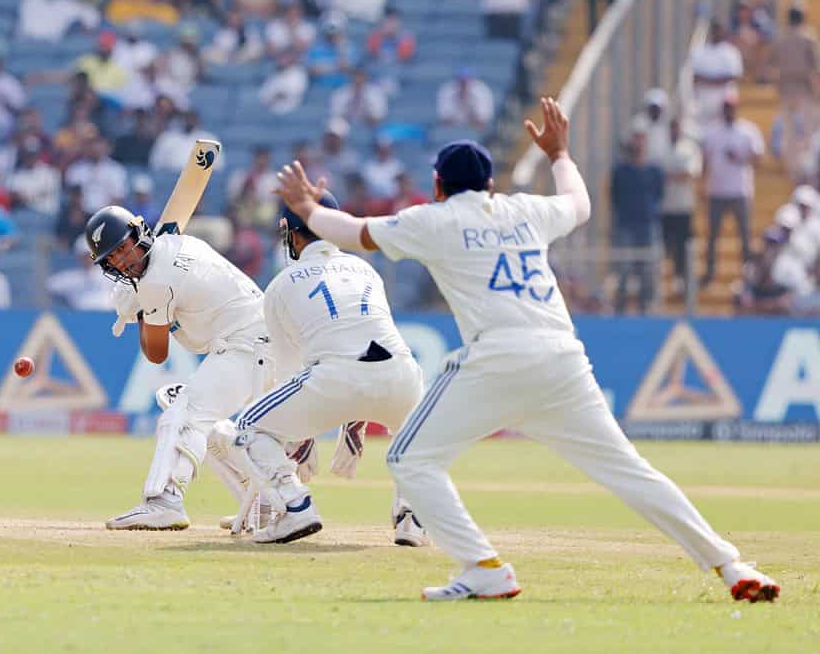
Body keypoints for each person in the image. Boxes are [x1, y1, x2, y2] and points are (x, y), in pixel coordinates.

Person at [274, 96, 780, 603]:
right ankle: (731, 566)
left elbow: (355, 233)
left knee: (408, 459)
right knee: (630, 473)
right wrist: (560, 154)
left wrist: (308, 210)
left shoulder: (435, 219)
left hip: (496, 360)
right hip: (563, 361)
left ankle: (484, 567)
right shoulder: (525, 210)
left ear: (438, 185)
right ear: (491, 183)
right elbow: (579, 205)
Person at [208, 192, 428, 545]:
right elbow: (365, 350)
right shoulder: (366, 269)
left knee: (247, 428)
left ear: (292, 235)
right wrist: (354, 424)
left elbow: (290, 373)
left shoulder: (281, 284)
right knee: (415, 437)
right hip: (403, 374)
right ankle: (412, 517)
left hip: (334, 378)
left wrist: (303, 436)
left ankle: (295, 505)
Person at [84, 205, 274, 530]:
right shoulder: (177, 246)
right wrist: (142, 300)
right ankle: (267, 504)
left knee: (185, 413)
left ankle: (164, 501)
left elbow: (157, 353)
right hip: (263, 342)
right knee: (193, 414)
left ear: (138, 234)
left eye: (122, 248)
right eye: (111, 259)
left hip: (248, 344)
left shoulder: (155, 281)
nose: (120, 260)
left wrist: (140, 311)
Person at [701, 93, 764, 288]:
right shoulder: (712, 132)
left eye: (732, 107)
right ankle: (710, 274)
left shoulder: (748, 131)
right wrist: (702, 187)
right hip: (716, 191)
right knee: (712, 236)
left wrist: (740, 158)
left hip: (740, 191)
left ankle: (747, 275)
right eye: (726, 107)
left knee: (744, 237)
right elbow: (704, 162)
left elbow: (759, 159)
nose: (729, 111)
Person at [610, 130, 664, 314]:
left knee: (647, 271)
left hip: (647, 224)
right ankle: (621, 308)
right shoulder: (621, 171)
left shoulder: (654, 170)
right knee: (624, 268)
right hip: (626, 225)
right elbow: (614, 196)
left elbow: (659, 194)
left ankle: (644, 308)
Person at [769, 8, 819, 176]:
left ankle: (793, 169)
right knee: (807, 131)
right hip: (804, 89)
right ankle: (807, 170)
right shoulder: (808, 39)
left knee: (789, 132)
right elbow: (816, 67)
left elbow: (771, 63)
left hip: (786, 90)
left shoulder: (779, 39)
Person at [659, 117, 702, 295]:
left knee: (683, 248)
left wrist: (670, 176)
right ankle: (661, 283)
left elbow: (689, 174)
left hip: (684, 207)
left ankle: (680, 281)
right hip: (665, 207)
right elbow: (658, 175)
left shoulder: (689, 149)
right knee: (664, 247)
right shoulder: (661, 148)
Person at [48, 235, 115, 309]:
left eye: (91, 255)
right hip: (79, 317)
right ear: (79, 257)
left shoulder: (110, 275)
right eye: (84, 255)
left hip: (106, 317)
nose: (88, 258)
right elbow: (50, 286)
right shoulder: (70, 278)